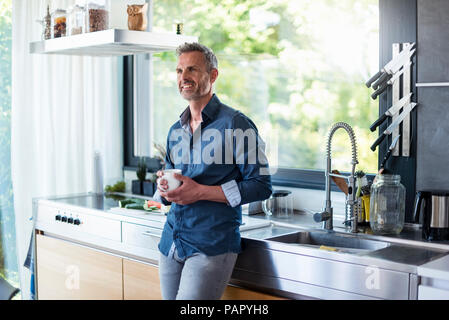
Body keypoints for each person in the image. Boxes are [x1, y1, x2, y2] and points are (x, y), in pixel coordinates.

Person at [154, 42, 272, 300]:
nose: (184, 77)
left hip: (210, 246)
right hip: (171, 242)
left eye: (192, 70)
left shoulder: (236, 124)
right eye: (179, 71)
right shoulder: (176, 130)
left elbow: (261, 185)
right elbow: (171, 188)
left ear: (213, 75)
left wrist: (200, 192)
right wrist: (163, 189)